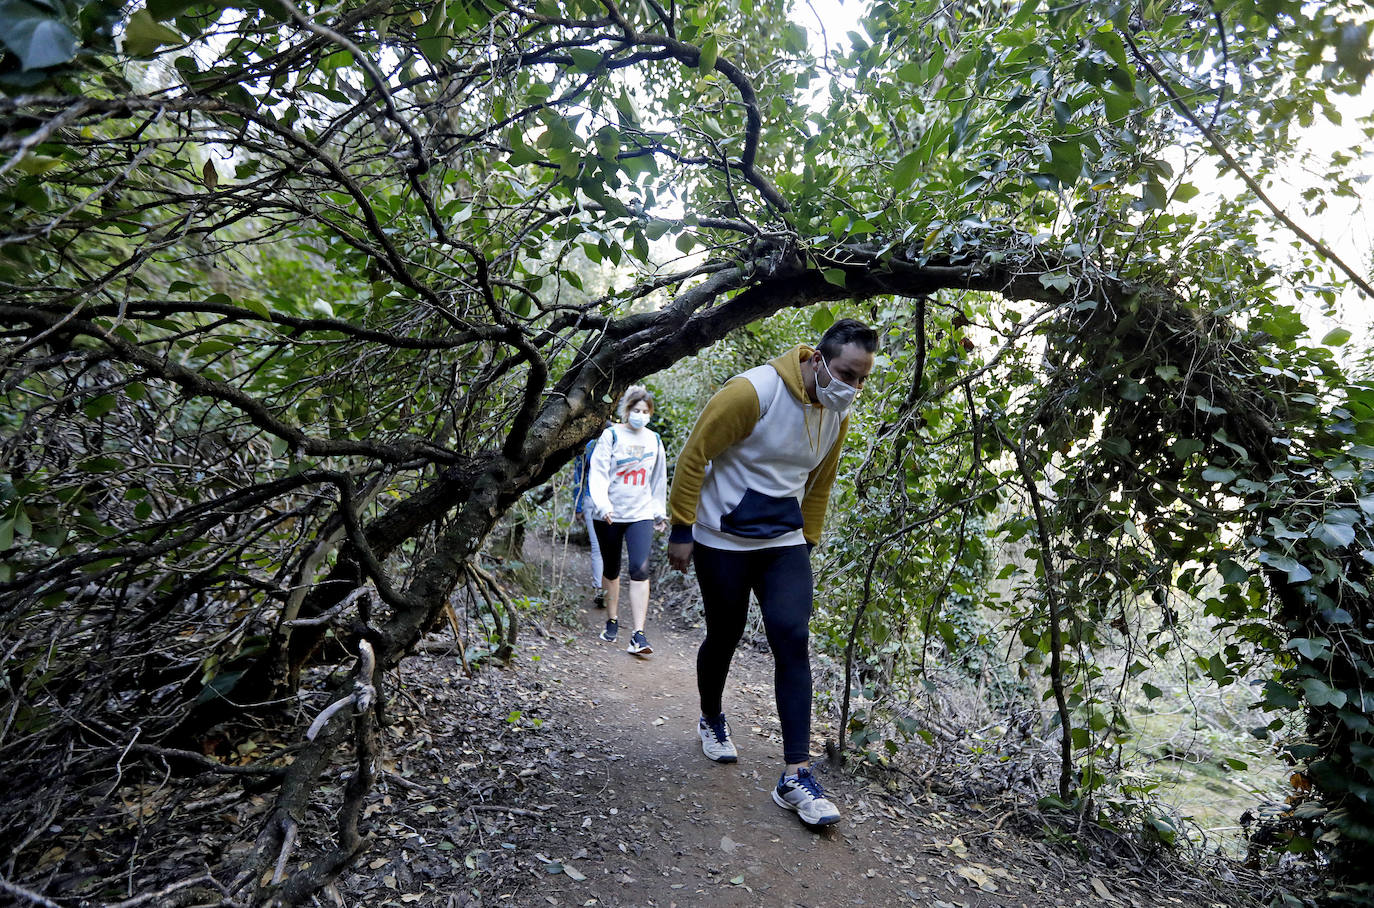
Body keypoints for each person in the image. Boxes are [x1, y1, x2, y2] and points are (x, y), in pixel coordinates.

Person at [667, 318, 877, 827]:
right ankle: (712, 719)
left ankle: (795, 775)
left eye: (862, 380)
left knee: (791, 635)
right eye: (846, 374)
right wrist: (681, 529)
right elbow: (695, 456)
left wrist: (806, 541)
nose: (852, 388)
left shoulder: (835, 412)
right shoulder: (751, 392)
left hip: (783, 541)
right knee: (725, 633)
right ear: (816, 359)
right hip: (722, 537)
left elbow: (820, 480)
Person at [587, 386, 668, 656]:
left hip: (640, 513)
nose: (640, 416)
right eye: (636, 411)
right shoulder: (611, 435)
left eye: (645, 412)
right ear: (627, 410)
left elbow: (658, 479)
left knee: (639, 569)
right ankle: (611, 620)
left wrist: (659, 511)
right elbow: (597, 472)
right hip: (609, 513)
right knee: (611, 568)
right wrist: (602, 504)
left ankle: (638, 634)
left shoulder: (654, 440)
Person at [571, 432, 606, 608]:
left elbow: (579, 475)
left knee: (597, 547)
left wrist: (577, 507)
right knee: (606, 547)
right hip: (611, 502)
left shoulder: (589, 445)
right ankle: (602, 589)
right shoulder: (617, 442)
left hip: (591, 499)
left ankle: (601, 588)